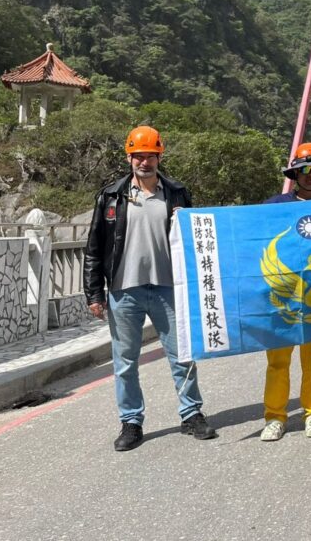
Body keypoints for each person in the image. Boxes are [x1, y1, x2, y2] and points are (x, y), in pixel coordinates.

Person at [84, 125, 216, 451]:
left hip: (168, 287)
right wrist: (94, 294)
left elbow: (193, 240)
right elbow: (94, 247)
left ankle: (191, 414)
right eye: (139, 156)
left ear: (160, 156)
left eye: (150, 155)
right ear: (129, 158)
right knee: (125, 361)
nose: (144, 161)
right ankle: (131, 422)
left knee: (181, 355)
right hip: (123, 289)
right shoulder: (111, 196)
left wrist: (187, 220)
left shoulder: (176, 193)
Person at [259, 142, 311, 441]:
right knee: (277, 361)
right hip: (282, 298)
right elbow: (246, 234)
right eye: (304, 169)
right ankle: (275, 416)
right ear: (294, 174)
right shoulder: (273, 206)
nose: (310, 175)